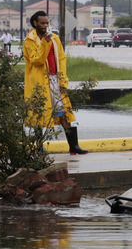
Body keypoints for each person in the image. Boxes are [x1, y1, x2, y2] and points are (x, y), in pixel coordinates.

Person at [22, 11, 89, 155]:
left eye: (47, 23)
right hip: (39, 82)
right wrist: (45, 43)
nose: (46, 26)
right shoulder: (30, 41)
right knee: (39, 113)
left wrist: (63, 78)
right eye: (42, 23)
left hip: (55, 80)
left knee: (64, 112)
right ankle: (39, 148)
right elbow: (37, 61)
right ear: (35, 23)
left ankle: (73, 146)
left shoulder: (55, 39)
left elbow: (62, 59)